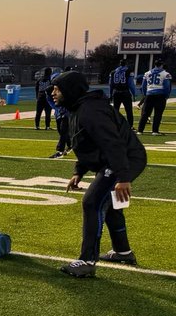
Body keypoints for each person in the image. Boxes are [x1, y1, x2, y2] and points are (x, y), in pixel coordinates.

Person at [50, 71, 147, 277]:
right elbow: (85, 144)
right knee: (110, 205)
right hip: (113, 160)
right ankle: (123, 251)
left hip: (124, 159)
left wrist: (123, 177)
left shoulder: (90, 111)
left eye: (57, 89)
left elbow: (113, 144)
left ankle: (87, 260)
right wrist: (79, 171)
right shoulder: (78, 109)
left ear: (70, 90)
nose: (53, 93)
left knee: (92, 202)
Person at [138, 60, 172, 136]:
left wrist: (145, 94)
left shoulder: (147, 73)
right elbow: (167, 86)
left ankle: (140, 130)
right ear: (161, 65)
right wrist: (166, 95)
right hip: (160, 95)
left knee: (145, 113)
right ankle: (155, 131)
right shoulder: (166, 74)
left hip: (149, 94)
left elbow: (143, 86)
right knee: (158, 114)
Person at [107, 60, 136, 130]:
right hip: (125, 92)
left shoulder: (113, 72)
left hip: (116, 92)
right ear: (126, 64)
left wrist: (110, 94)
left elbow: (111, 84)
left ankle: (114, 125)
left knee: (115, 110)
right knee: (128, 110)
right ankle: (130, 126)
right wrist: (134, 94)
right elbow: (131, 84)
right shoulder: (129, 71)